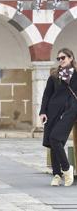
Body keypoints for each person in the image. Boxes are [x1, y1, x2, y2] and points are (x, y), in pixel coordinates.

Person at [39, 48, 77, 187]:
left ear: (71, 58)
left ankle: (67, 168)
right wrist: (42, 112)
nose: (61, 60)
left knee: (55, 138)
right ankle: (57, 174)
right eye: (59, 58)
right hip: (52, 112)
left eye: (63, 58)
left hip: (70, 111)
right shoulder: (54, 75)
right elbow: (47, 95)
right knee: (52, 142)